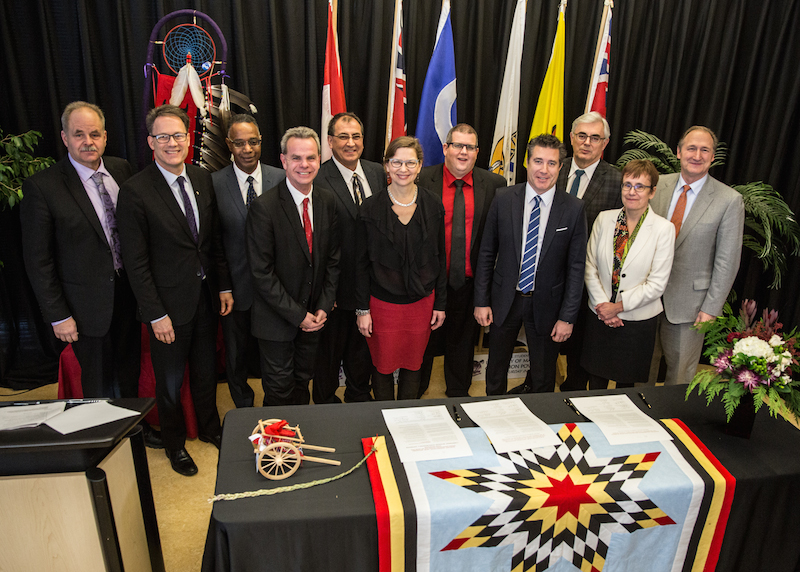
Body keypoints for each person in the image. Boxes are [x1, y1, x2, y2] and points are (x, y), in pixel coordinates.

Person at [20, 102, 161, 447]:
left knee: (129, 370)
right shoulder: (43, 187)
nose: (88, 141)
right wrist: (58, 316)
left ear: (105, 137)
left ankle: (133, 430)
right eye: (79, 134)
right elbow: (38, 261)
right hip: (83, 307)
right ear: (65, 138)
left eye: (94, 134)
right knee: (96, 380)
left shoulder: (122, 170)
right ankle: (102, 442)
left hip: (129, 295)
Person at [117, 104, 233, 476]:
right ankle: (174, 444)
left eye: (178, 135)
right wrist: (155, 314)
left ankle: (211, 429)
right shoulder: (135, 192)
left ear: (188, 138)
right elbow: (135, 263)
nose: (172, 143)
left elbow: (211, 242)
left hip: (204, 300)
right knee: (169, 383)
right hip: (166, 308)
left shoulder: (201, 179)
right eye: (163, 136)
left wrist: (224, 287)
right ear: (151, 142)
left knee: (204, 373)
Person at [474, 134, 587, 395]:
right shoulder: (503, 198)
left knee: (543, 374)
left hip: (548, 304)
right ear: (527, 162)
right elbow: (487, 252)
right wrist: (481, 300)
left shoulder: (573, 208)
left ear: (560, 167)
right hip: (505, 299)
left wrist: (567, 317)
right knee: (496, 369)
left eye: (551, 163)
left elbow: (576, 267)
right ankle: (493, 417)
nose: (543, 170)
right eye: (538, 161)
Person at [246, 127, 340, 406]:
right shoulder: (264, 207)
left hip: (314, 317)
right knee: (279, 389)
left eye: (311, 158)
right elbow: (261, 273)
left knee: (302, 382)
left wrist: (324, 304)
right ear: (284, 161)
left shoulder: (327, 201)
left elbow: (333, 259)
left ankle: (298, 436)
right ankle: (278, 447)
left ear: (319, 159)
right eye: (296, 158)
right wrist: (298, 315)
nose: (304, 165)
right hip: (277, 321)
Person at [648, 126, 744, 385]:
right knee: (641, 367)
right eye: (691, 148)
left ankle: (672, 421)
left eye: (705, 150)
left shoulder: (729, 200)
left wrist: (711, 308)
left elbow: (727, 261)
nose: (697, 155)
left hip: (690, 306)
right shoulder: (656, 185)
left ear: (713, 157)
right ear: (679, 152)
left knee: (679, 375)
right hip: (645, 298)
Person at [417, 124, 506, 397]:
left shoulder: (494, 185)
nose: (463, 152)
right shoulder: (422, 179)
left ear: (477, 153)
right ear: (445, 148)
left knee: (463, 343)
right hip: (428, 283)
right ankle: (415, 396)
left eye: (469, 147)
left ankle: (457, 394)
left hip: (469, 283)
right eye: (457, 145)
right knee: (423, 344)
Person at [355, 136, 446, 400]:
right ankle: (384, 416)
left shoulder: (433, 205)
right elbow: (361, 264)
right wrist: (363, 310)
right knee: (382, 366)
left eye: (410, 163)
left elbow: (439, 260)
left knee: (414, 364)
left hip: (421, 304)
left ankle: (407, 419)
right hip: (382, 306)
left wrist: (440, 304)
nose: (403, 169)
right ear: (386, 166)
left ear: (419, 166)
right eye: (396, 162)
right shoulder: (370, 208)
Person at [581, 160, 675, 388]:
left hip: (636, 322)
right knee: (595, 382)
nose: (632, 192)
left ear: (652, 191)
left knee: (626, 389)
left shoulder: (664, 229)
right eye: (627, 185)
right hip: (600, 315)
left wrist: (618, 307)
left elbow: (657, 283)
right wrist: (604, 306)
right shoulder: (604, 218)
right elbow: (589, 266)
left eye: (640, 186)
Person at [312, 112, 386, 403]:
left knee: (361, 352)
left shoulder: (377, 172)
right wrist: (323, 291)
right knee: (328, 355)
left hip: (370, 286)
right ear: (330, 142)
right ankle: (325, 404)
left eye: (356, 136)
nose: (350, 143)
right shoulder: (318, 177)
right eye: (343, 136)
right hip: (334, 288)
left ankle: (358, 397)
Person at [213, 115, 285, 408]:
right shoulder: (214, 183)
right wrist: (224, 286)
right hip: (236, 288)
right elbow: (214, 242)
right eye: (239, 143)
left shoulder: (280, 177)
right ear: (229, 145)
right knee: (237, 353)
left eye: (252, 141)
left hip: (276, 286)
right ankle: (242, 405)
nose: (247, 149)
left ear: (261, 142)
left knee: (274, 353)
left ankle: (274, 407)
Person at [556, 111, 623, 392]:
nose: (587, 142)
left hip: (592, 279)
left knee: (581, 341)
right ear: (571, 138)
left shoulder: (617, 180)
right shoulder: (553, 168)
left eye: (595, 138)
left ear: (604, 143)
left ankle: (575, 388)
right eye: (582, 135)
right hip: (550, 274)